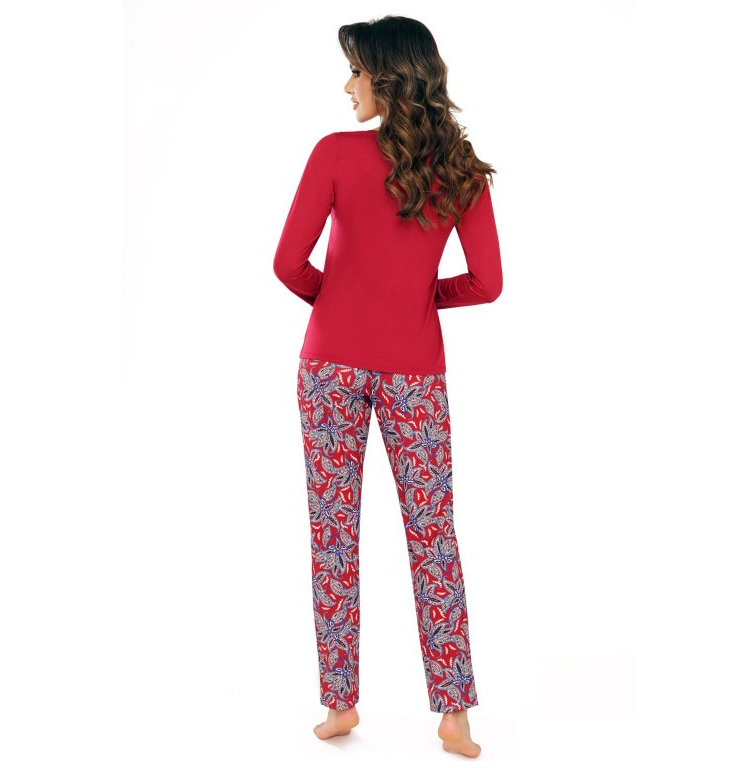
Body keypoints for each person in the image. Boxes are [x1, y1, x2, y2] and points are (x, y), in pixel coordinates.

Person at [272, 15, 501, 759]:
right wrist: (416, 299)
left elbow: (287, 263)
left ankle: (340, 704)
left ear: (388, 78)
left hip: (329, 369)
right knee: (434, 533)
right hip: (416, 373)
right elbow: (487, 283)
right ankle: (454, 715)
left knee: (332, 533)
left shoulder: (335, 154)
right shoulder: (460, 168)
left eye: (356, 71)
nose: (348, 86)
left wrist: (342, 302)